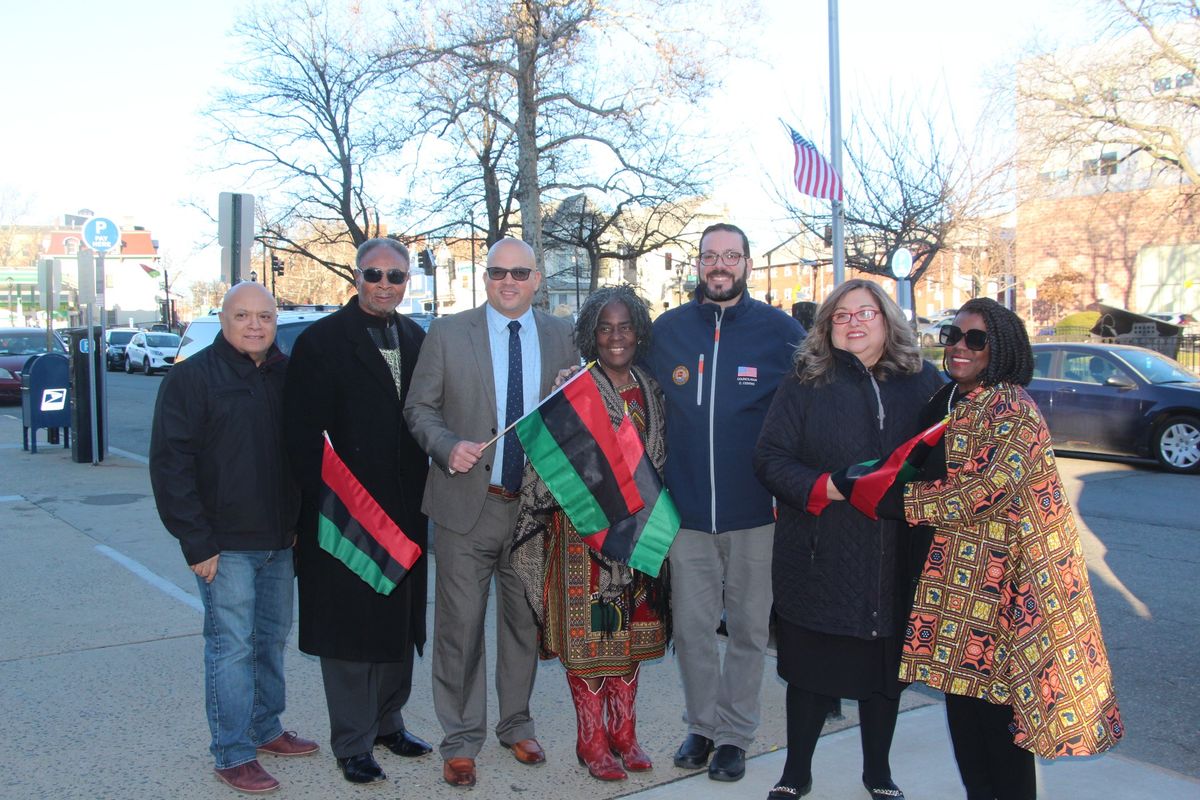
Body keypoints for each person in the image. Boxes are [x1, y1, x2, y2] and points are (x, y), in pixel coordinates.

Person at [866, 298, 1123, 799]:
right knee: (966, 722)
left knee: (1000, 731)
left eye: (975, 339)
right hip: (956, 590)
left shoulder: (1012, 407)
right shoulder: (949, 399)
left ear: (999, 347)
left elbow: (987, 488)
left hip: (1002, 594)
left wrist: (894, 502)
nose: (959, 346)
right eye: (952, 334)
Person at [753, 279, 943, 800]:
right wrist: (827, 487)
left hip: (895, 555)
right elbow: (770, 459)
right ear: (827, 326)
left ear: (888, 320)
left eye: (866, 312)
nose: (854, 322)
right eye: (842, 315)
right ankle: (796, 773)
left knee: (884, 673)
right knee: (810, 671)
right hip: (820, 549)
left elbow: (948, 456)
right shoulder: (805, 381)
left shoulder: (924, 383)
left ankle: (877, 774)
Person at [404, 237, 578, 788]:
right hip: (465, 508)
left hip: (533, 511)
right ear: (486, 277)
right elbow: (419, 408)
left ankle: (516, 723)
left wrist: (573, 392)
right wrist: (444, 444)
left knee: (523, 625)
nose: (508, 281)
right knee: (459, 628)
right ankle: (460, 739)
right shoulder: (450, 333)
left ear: (536, 279)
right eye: (498, 271)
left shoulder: (561, 335)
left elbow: (576, 415)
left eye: (519, 272)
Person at [645, 222, 805, 782]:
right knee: (690, 630)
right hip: (685, 515)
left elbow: (815, 404)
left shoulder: (780, 332)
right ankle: (703, 725)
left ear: (746, 264)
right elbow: (625, 385)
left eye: (730, 256)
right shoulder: (666, 331)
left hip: (756, 515)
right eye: (711, 256)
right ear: (698, 264)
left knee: (747, 631)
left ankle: (735, 735)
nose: (720, 265)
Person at [150, 281, 317, 795]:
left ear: (274, 321)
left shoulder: (288, 376)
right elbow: (171, 466)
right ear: (223, 320)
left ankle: (265, 728)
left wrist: (296, 524)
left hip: (278, 540)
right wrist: (196, 543)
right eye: (242, 316)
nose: (254, 326)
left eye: (264, 317)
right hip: (224, 545)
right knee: (230, 649)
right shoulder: (193, 378)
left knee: (269, 642)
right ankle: (232, 751)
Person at [283, 238, 432, 785]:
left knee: (397, 623)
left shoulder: (416, 338)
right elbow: (300, 437)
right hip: (342, 511)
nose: (385, 286)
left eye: (396, 277)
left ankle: (389, 722)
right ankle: (352, 741)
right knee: (349, 632)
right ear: (357, 276)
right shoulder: (320, 343)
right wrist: (308, 514)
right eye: (375, 275)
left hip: (404, 510)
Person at [510, 286, 670, 782]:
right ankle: (592, 741)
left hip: (640, 537)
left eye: (624, 326)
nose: (615, 336)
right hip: (587, 546)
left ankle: (624, 733)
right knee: (595, 638)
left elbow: (659, 457)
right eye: (605, 327)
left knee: (631, 640)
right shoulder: (574, 388)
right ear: (589, 334)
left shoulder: (650, 385)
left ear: (638, 330)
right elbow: (549, 466)